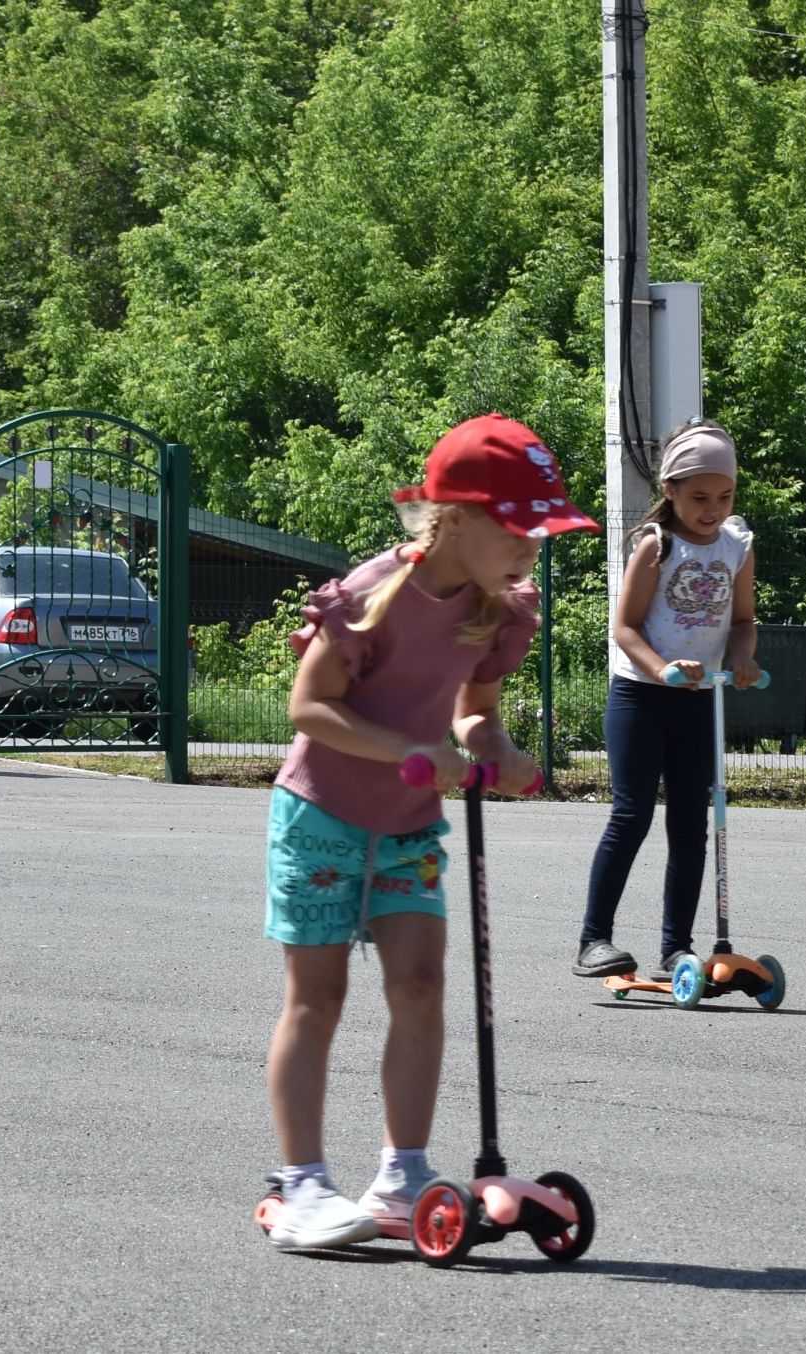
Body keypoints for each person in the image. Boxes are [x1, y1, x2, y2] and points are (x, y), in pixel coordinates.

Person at [263, 413, 599, 1250]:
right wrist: (410, 749)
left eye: (541, 532)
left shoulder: (497, 608)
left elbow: (475, 713)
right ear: (453, 518)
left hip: (410, 823)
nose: (532, 548)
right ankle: (302, 1186)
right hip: (322, 818)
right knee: (320, 997)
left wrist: (499, 750)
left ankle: (400, 1172)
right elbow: (309, 707)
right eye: (519, 529)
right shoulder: (373, 597)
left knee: (419, 988)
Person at [573, 418, 761, 983]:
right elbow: (624, 628)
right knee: (631, 814)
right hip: (640, 696)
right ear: (670, 491)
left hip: (700, 702)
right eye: (700, 496)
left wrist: (743, 659)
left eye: (724, 496)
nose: (713, 508)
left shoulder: (738, 545)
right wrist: (663, 668)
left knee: (690, 824)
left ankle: (675, 948)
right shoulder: (658, 545)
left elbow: (744, 620)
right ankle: (593, 940)